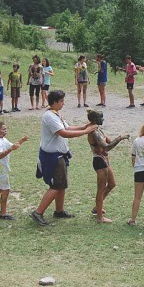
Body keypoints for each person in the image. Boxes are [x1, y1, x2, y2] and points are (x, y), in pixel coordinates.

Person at [30, 90, 98, 225]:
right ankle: (38, 212)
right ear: (54, 102)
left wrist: (84, 126)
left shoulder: (56, 114)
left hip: (59, 155)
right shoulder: (49, 116)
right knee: (56, 186)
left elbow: (67, 127)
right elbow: (63, 133)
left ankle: (59, 211)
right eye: (61, 101)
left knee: (62, 185)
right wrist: (86, 131)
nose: (63, 103)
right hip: (52, 157)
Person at [86, 109, 130, 223]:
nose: (103, 119)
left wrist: (117, 139)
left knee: (112, 184)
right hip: (99, 161)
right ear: (95, 119)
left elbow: (108, 142)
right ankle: (100, 217)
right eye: (101, 117)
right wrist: (120, 138)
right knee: (100, 190)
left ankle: (97, 207)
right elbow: (107, 147)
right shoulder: (94, 133)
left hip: (105, 160)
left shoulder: (99, 130)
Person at [0, 121, 28, 220]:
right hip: (0, 170)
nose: (5, 131)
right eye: (3, 129)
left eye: (6, 129)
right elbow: (0, 155)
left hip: (0, 169)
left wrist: (21, 141)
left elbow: (13, 146)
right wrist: (10, 149)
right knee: (5, 190)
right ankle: (3, 214)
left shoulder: (3, 139)